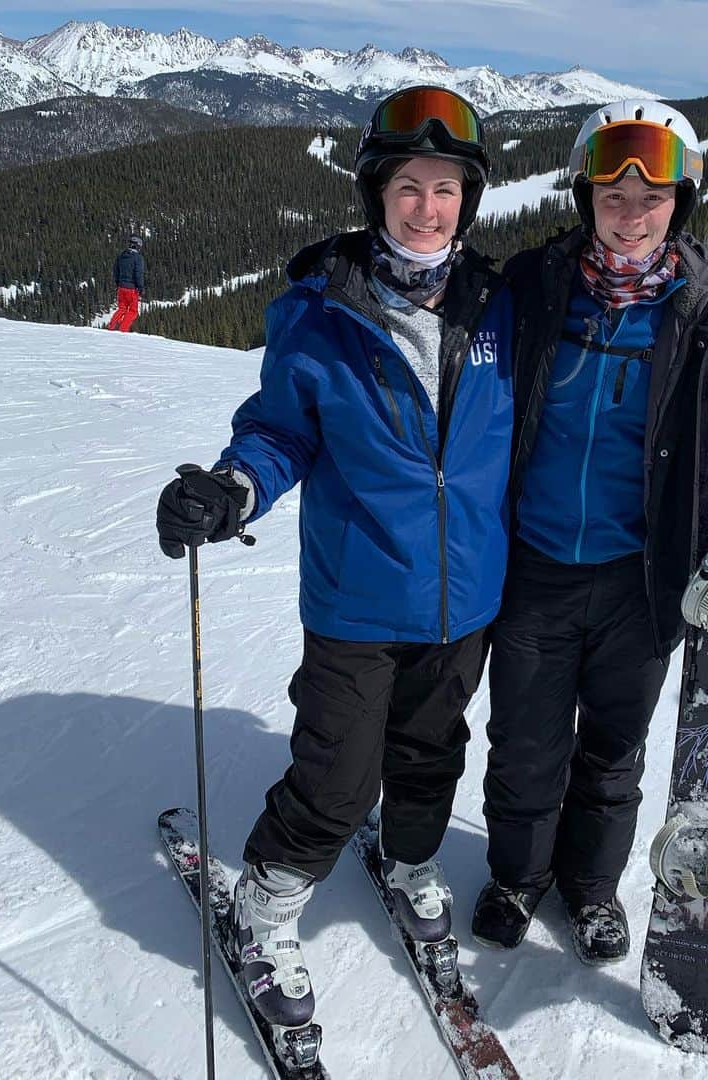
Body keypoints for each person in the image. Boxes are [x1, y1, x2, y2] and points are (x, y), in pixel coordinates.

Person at [154, 86, 513, 1042]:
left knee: (432, 753)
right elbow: (279, 430)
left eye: (446, 188)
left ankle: (407, 859)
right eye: (408, 185)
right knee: (339, 772)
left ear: (468, 200)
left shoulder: (504, 308)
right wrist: (233, 488)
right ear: (376, 194)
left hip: (467, 595)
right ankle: (264, 906)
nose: (427, 207)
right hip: (359, 592)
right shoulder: (320, 310)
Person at [472, 100, 708, 964]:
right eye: (613, 194)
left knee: (612, 748)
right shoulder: (534, 288)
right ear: (584, 197)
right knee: (525, 742)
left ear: (681, 203)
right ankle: (517, 876)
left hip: (642, 579)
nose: (631, 213)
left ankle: (590, 888)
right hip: (535, 565)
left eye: (652, 197)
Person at [107, 235, 145, 331]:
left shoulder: (121, 256)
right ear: (138, 246)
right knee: (133, 311)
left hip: (121, 287)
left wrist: (118, 283)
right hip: (131, 289)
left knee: (122, 309)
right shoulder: (138, 258)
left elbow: (115, 270)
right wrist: (140, 287)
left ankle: (111, 327)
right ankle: (123, 330)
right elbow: (138, 274)